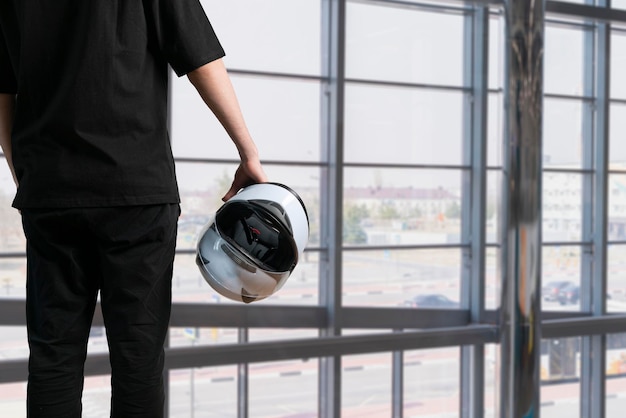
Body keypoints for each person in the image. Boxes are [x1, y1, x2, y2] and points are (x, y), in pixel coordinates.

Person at [0, 1, 267, 417]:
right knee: (138, 360)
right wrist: (247, 150)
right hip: (135, 189)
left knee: (53, 357)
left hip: (51, 193)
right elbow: (201, 59)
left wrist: (26, 176)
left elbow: (5, 90)